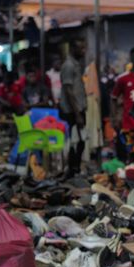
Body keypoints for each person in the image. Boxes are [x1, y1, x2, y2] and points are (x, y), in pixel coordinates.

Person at [60, 42, 87, 177]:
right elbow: (68, 91)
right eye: (81, 48)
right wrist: (77, 114)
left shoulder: (75, 64)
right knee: (74, 142)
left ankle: (75, 169)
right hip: (72, 112)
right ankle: (71, 170)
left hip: (78, 109)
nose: (84, 51)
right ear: (73, 49)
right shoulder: (69, 66)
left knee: (81, 141)